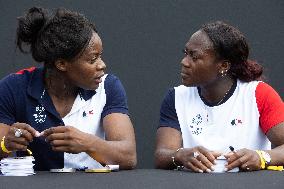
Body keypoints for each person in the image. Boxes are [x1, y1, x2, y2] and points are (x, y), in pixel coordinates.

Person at [0, 7, 137, 171]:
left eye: (100, 56)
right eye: (93, 59)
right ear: (62, 64)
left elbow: (128, 156)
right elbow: (3, 144)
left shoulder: (108, 86)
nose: (102, 65)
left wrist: (87, 143)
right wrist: (5, 145)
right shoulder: (14, 87)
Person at [155, 21, 284, 173]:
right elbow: (162, 155)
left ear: (223, 66)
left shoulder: (258, 94)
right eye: (186, 53)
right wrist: (180, 155)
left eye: (194, 57)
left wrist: (261, 157)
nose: (184, 62)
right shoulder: (176, 97)